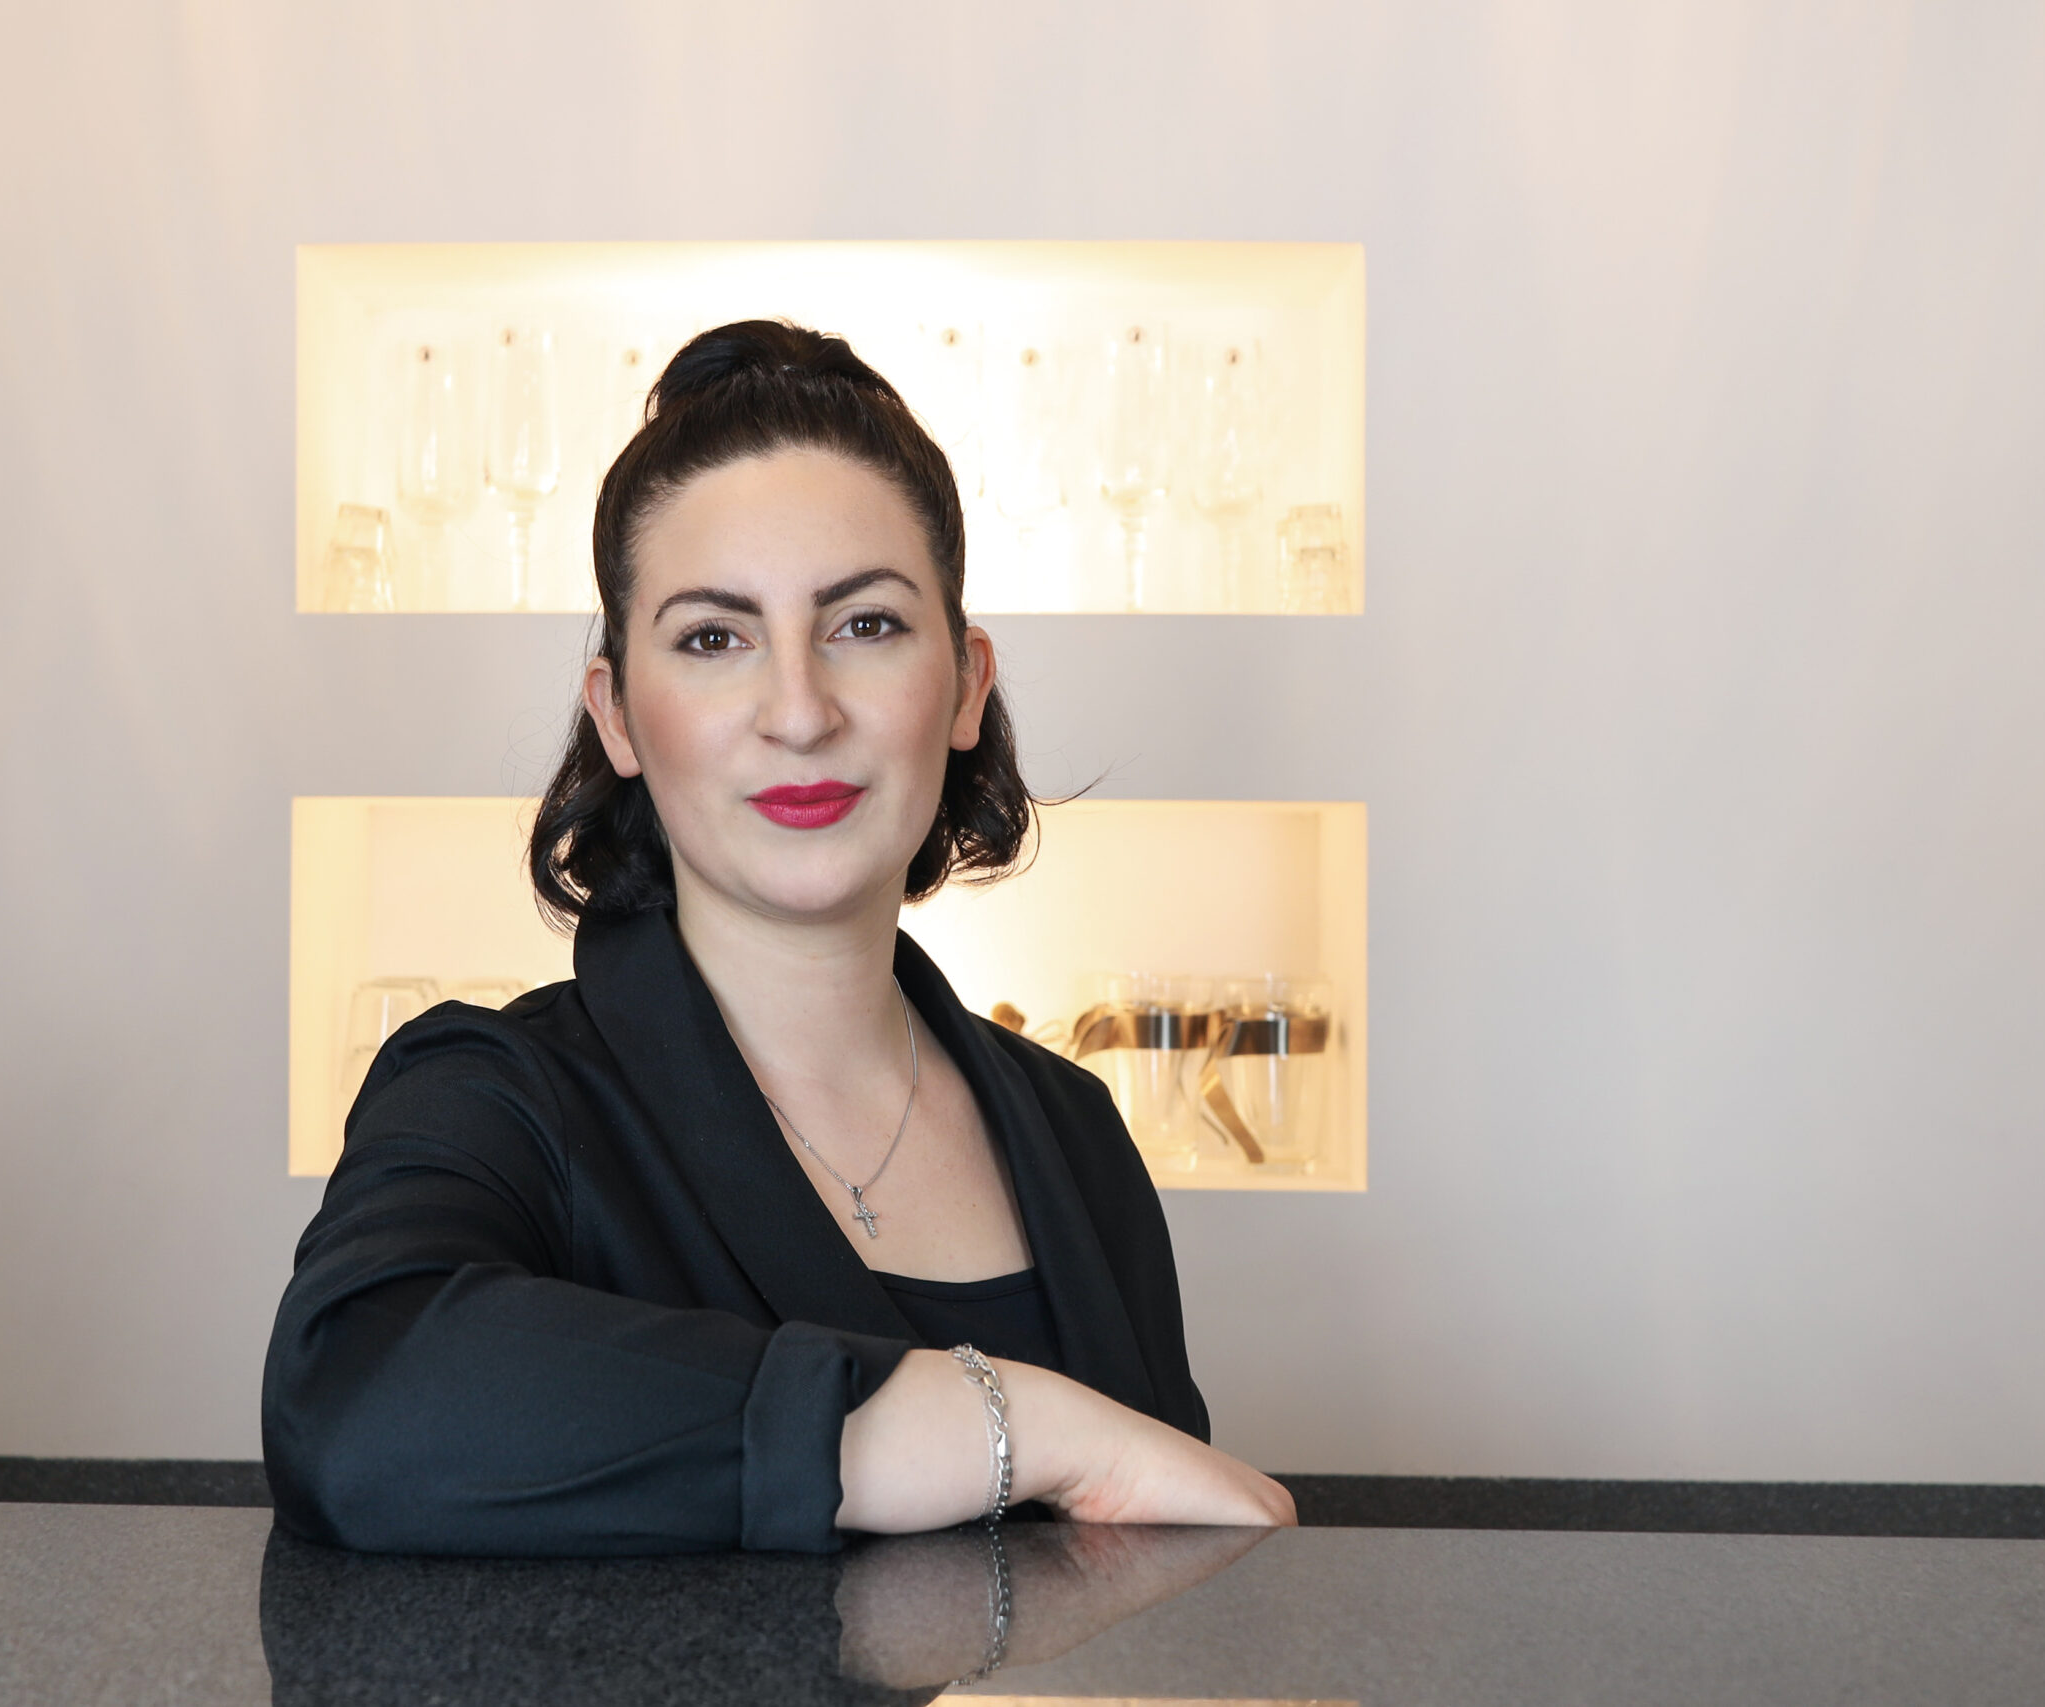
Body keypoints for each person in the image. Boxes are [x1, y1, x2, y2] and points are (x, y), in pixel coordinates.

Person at [262, 319, 1297, 1555]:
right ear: (618, 717)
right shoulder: (494, 1096)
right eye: (714, 638)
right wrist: (1006, 1425)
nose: (799, 712)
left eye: (865, 626)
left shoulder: (1072, 1130)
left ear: (966, 686)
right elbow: (356, 1397)